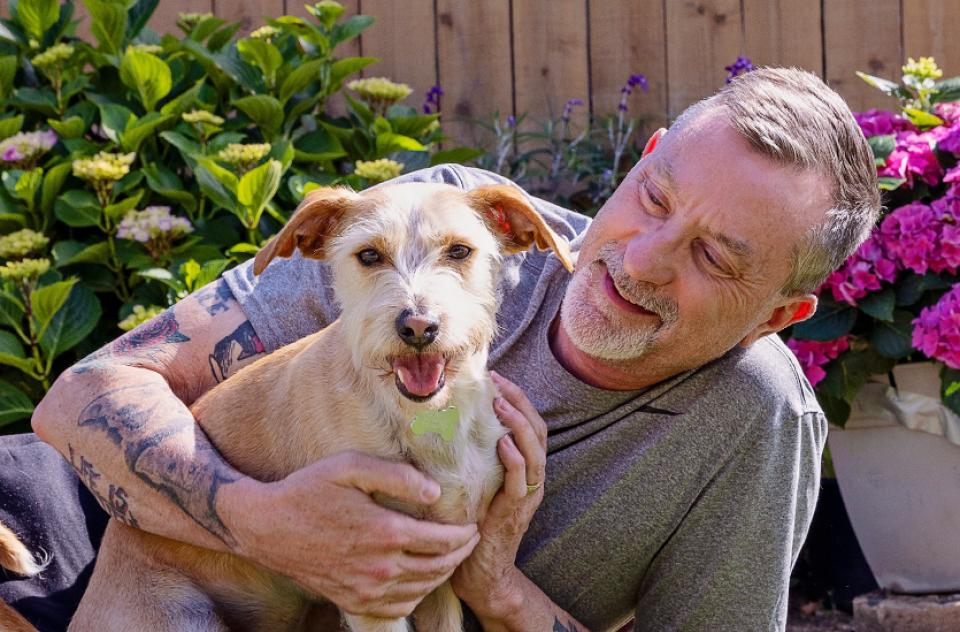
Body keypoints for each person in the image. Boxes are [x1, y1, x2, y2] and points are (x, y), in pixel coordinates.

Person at [1, 66, 879, 631]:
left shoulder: (754, 421)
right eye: (654, 197)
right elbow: (82, 393)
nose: (641, 259)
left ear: (775, 315)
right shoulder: (425, 225)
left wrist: (497, 588)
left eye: (714, 257)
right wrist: (262, 521)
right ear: (642, 157)